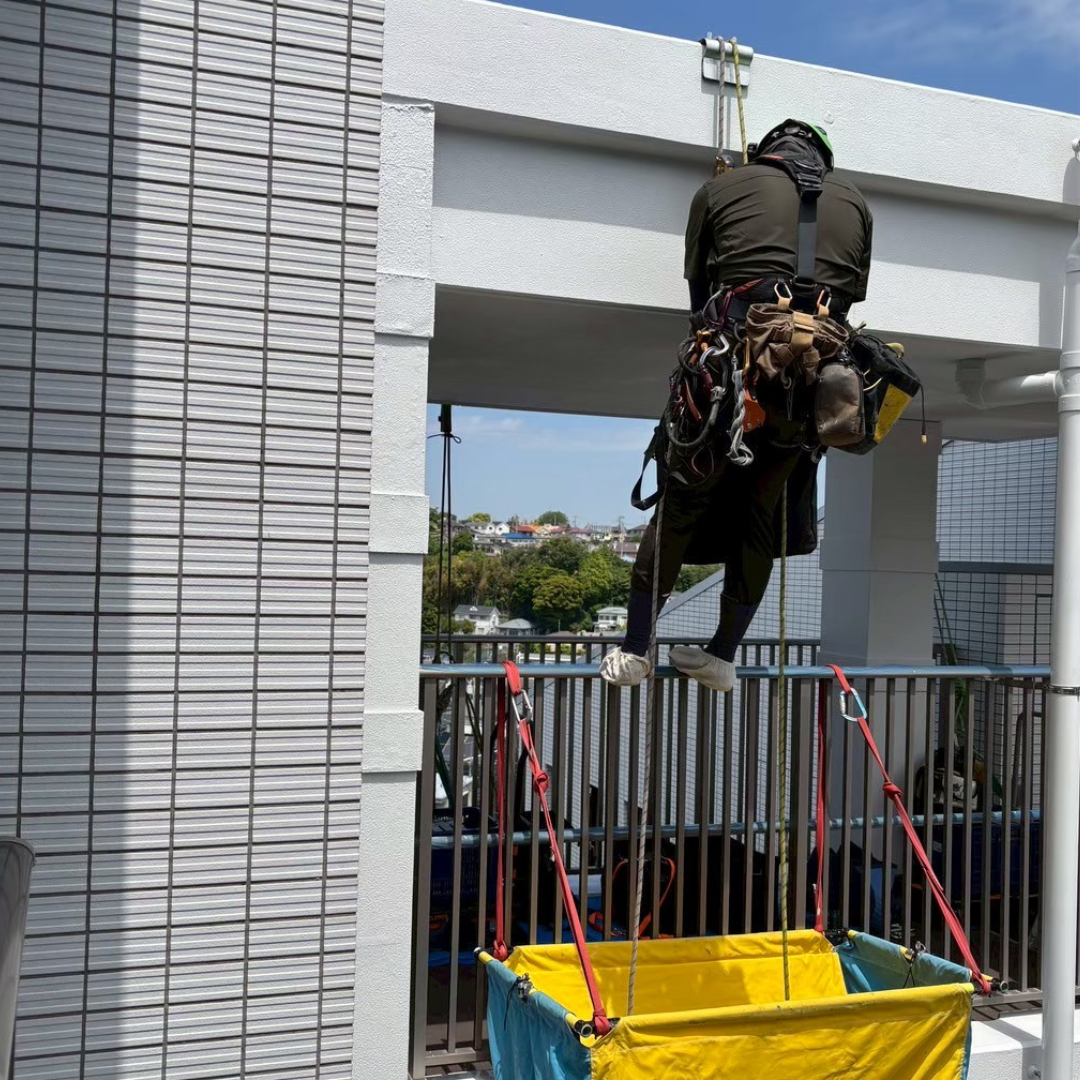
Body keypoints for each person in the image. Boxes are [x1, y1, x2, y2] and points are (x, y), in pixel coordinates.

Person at [601, 120, 873, 691]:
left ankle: (635, 649)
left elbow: (700, 293)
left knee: (681, 504)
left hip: (729, 376)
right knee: (760, 515)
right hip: (808, 388)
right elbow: (847, 299)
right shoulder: (857, 204)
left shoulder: (720, 189)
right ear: (824, 158)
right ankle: (722, 656)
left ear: (765, 152)